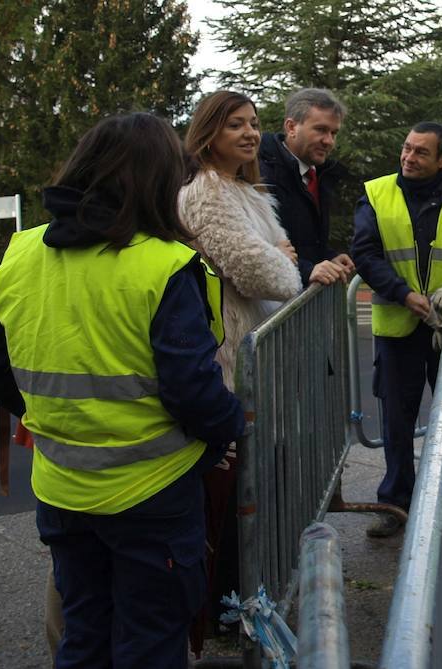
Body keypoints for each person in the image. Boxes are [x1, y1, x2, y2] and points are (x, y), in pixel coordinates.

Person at [0, 112, 245, 668]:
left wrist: (47, 411)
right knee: (151, 640)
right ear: (158, 181)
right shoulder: (165, 263)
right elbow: (192, 389)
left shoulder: (23, 251)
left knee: (84, 633)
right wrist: (229, 429)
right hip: (154, 491)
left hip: (62, 488)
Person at [178, 90, 303, 652]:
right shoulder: (205, 192)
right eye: (235, 125)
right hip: (227, 352)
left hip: (252, 347)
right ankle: (224, 605)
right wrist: (285, 263)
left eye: (253, 123)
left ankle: (239, 592)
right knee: (229, 493)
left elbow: (274, 253)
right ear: (209, 134)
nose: (250, 133)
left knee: (249, 487)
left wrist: (279, 257)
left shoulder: (247, 191)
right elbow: (261, 270)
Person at [351, 121, 442, 536]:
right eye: (407, 148)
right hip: (398, 326)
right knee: (397, 420)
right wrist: (402, 293)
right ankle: (395, 503)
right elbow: (365, 252)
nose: (409, 158)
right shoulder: (377, 193)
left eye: (421, 152)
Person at [259, 87, 354, 286]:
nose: (329, 141)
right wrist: (306, 270)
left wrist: (328, 257)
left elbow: (305, 242)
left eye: (334, 133)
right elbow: (261, 247)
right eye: (320, 130)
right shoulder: (261, 175)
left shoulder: (320, 176)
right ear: (291, 127)